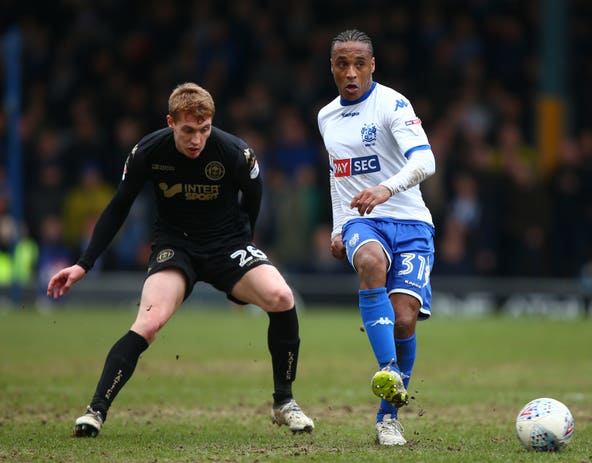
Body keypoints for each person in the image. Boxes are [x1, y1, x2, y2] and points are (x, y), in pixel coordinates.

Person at [47, 82, 314, 437]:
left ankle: (284, 403)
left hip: (227, 245)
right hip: (176, 246)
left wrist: (245, 251)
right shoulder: (148, 151)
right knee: (149, 323)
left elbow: (254, 200)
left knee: (282, 297)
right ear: (171, 121)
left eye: (204, 130)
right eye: (188, 130)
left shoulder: (235, 152)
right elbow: (118, 206)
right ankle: (95, 411)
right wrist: (84, 263)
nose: (196, 140)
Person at [317, 29, 436, 446]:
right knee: (370, 262)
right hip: (363, 221)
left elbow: (426, 161)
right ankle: (387, 367)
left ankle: (388, 418)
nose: (350, 72)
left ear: (372, 65)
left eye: (359, 64)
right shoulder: (326, 116)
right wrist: (337, 226)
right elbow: (338, 176)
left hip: (411, 221)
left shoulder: (393, 104)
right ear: (332, 67)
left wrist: (387, 188)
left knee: (404, 319)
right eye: (341, 64)